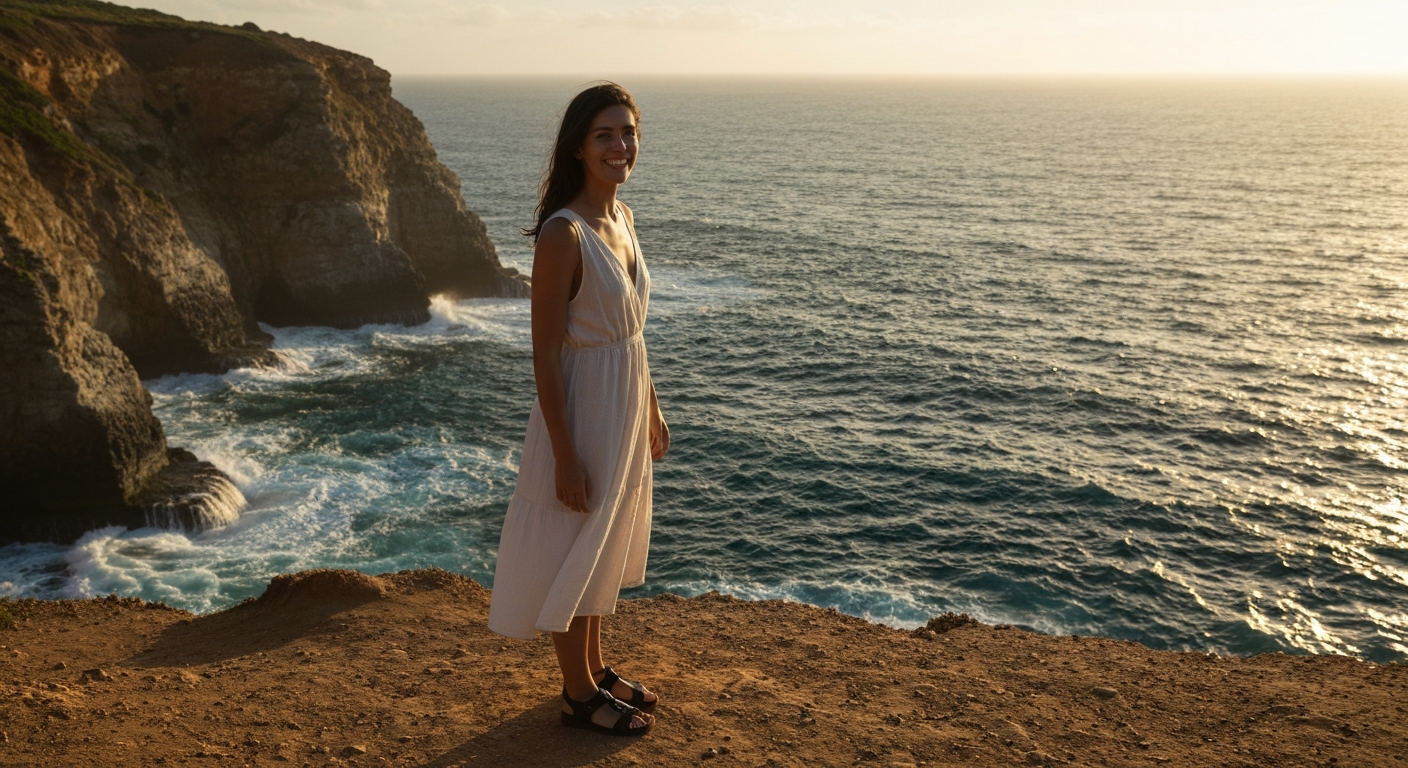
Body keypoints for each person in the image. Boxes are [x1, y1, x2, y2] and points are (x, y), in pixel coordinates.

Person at [486, 82, 669, 737]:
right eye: (605, 135)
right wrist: (564, 453)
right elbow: (542, 355)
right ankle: (576, 693)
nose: (620, 146)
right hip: (582, 414)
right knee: (573, 543)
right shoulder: (563, 234)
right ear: (579, 148)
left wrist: (651, 407)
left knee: (602, 546)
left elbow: (632, 330)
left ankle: (594, 668)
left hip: (621, 407)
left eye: (627, 132)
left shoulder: (622, 218)